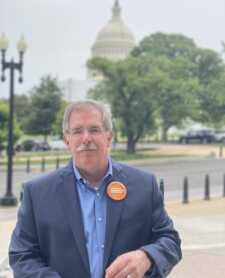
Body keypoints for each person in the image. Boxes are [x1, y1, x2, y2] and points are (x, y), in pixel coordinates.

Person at [9, 100, 182, 278]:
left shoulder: (144, 184)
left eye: (94, 129)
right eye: (77, 131)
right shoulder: (37, 193)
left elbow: (169, 240)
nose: (86, 138)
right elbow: (22, 255)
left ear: (109, 137)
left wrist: (147, 256)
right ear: (67, 140)